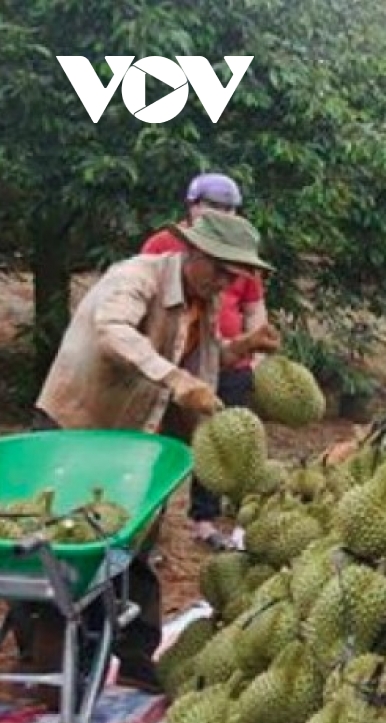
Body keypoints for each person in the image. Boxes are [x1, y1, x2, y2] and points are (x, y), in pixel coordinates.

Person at [28, 213, 279, 695]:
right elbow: (114, 331)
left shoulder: (202, 304)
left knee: (136, 543)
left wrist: (242, 347)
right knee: (59, 549)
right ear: (196, 254)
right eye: (222, 272)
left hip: (132, 439)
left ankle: (137, 656)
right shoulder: (135, 276)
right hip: (78, 424)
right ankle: (52, 663)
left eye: (234, 278)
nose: (227, 285)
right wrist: (176, 380)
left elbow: (202, 362)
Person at [141, 172, 266, 550]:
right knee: (154, 444)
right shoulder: (163, 245)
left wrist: (252, 351)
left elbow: (254, 306)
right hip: (173, 362)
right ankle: (147, 528)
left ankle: (205, 519)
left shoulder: (241, 254)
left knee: (217, 444)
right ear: (192, 207)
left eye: (229, 209)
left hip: (227, 362)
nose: (221, 214)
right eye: (212, 207)